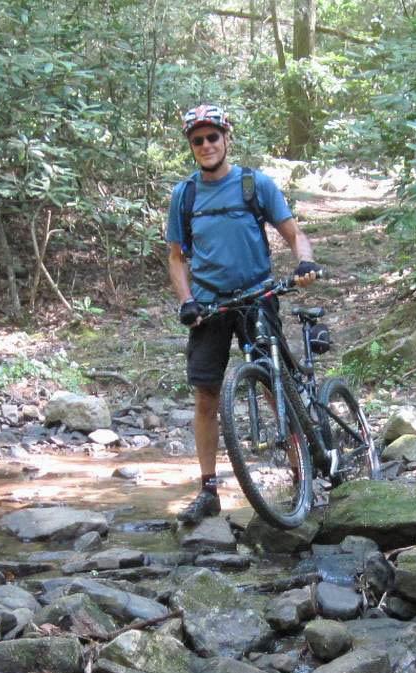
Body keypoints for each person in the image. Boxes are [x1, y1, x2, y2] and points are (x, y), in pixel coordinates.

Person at [166, 103, 320, 524]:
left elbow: (293, 233)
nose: (206, 145)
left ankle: (300, 470)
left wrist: (303, 262)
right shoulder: (186, 195)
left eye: (212, 137)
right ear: (191, 146)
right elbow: (176, 258)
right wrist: (186, 300)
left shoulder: (255, 184)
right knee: (205, 394)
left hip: (258, 295)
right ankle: (208, 489)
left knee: (273, 385)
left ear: (226, 138)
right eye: (197, 140)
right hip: (210, 304)